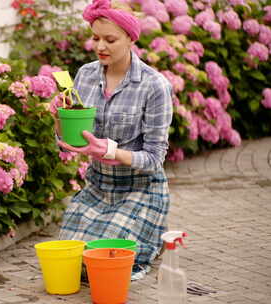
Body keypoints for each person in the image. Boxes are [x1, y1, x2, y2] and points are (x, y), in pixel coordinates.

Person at [54, 0, 174, 280]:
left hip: (140, 188)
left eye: (110, 39)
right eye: (95, 38)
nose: (100, 47)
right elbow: (69, 138)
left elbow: (155, 159)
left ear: (131, 38)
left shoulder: (154, 86)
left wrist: (110, 150)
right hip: (98, 186)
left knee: (105, 263)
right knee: (76, 260)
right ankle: (145, 235)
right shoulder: (84, 75)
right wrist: (60, 117)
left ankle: (150, 233)